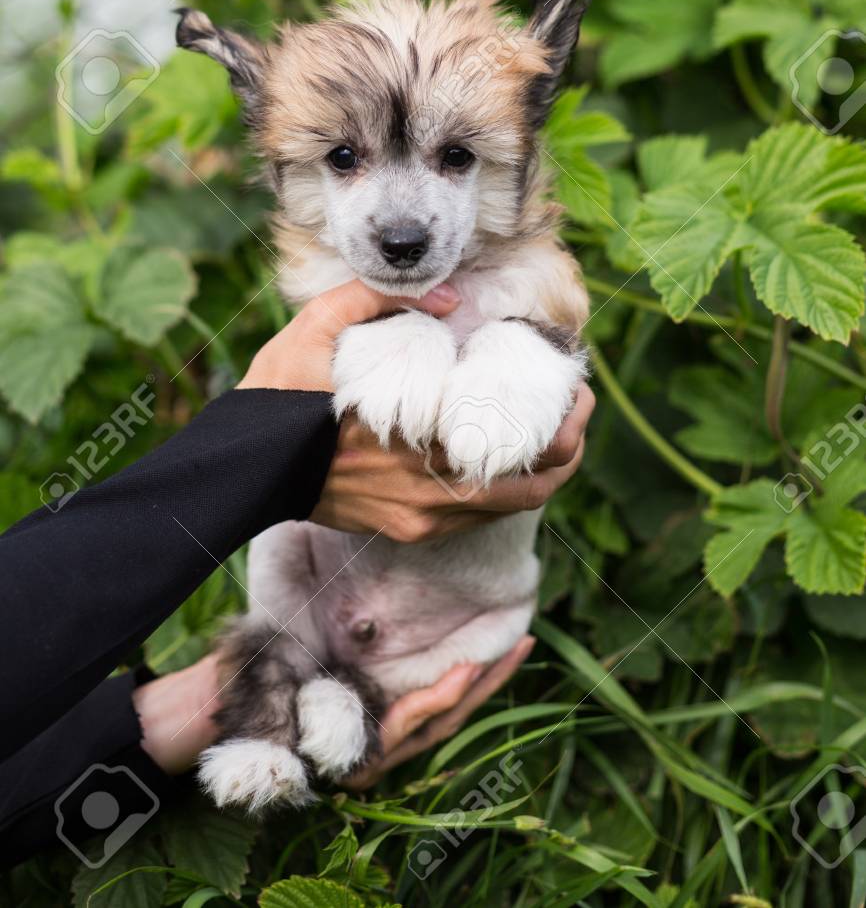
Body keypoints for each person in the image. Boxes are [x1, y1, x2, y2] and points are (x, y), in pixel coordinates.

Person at [0, 279, 594, 865]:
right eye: (342, 170)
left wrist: (263, 446)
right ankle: (284, 713)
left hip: (455, 614)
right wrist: (267, 450)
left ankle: (284, 704)